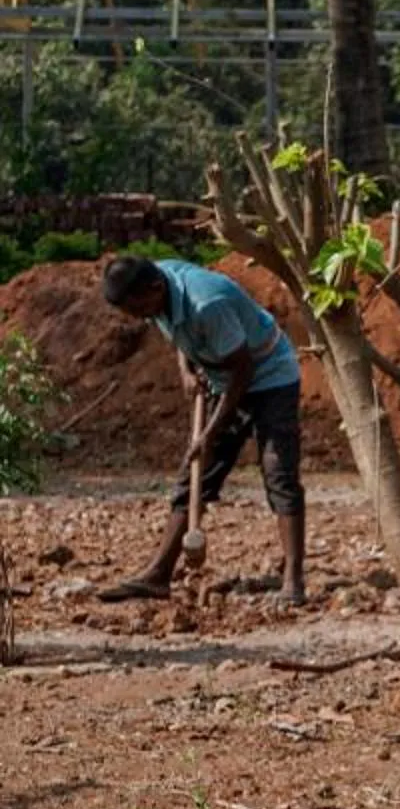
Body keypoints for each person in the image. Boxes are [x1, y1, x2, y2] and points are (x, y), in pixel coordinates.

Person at [94, 254, 307, 604]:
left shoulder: (208, 303)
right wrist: (187, 371)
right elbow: (180, 333)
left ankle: (294, 581)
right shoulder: (157, 289)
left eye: (137, 309)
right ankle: (159, 575)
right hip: (224, 378)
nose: (139, 318)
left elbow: (243, 371)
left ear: (155, 287)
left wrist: (209, 434)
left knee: (278, 471)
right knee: (195, 474)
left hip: (269, 376)